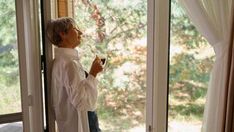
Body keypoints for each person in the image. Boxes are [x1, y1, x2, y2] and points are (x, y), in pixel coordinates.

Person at [46, 17, 103, 132]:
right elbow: (83, 103)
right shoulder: (69, 64)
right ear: (63, 34)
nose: (80, 32)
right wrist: (93, 73)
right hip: (82, 125)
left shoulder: (59, 62)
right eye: (75, 29)